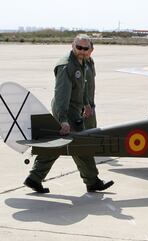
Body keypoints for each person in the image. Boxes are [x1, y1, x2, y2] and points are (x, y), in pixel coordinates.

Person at [24, 34, 114, 193]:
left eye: (85, 49)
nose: (82, 51)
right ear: (72, 46)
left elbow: (83, 86)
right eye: (78, 47)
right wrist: (63, 120)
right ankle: (92, 181)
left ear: (90, 50)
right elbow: (61, 96)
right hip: (65, 110)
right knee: (80, 144)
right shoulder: (66, 66)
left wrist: (86, 103)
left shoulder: (84, 61)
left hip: (75, 108)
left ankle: (34, 177)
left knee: (61, 144)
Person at [83, 41, 97, 129]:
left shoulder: (90, 61)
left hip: (90, 104)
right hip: (82, 106)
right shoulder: (79, 63)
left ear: (92, 49)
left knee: (92, 129)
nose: (83, 51)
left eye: (86, 48)